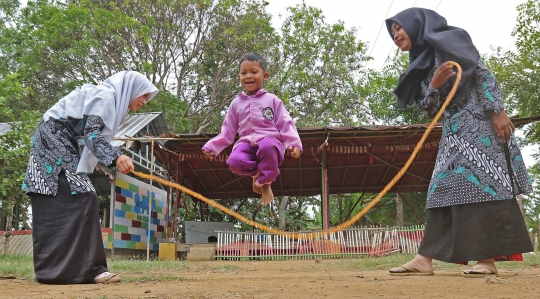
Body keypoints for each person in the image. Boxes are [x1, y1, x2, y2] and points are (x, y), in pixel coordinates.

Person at [385, 8, 533, 276]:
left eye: (398, 28)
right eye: (392, 32)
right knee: (440, 189)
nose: (395, 35)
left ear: (416, 24)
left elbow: (482, 74)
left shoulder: (451, 42)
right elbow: (428, 109)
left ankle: (487, 259)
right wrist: (434, 85)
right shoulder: (419, 63)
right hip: (453, 134)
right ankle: (424, 258)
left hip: (482, 127)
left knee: (486, 185)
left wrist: (497, 111)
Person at [22, 71, 159, 284]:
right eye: (143, 96)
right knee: (84, 195)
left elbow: (87, 136)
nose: (144, 102)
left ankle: (54, 272)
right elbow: (92, 135)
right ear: (132, 90)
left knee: (59, 197)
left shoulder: (106, 99)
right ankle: (92, 270)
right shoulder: (106, 97)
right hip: (53, 140)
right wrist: (116, 156)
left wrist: (102, 161)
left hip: (51, 140)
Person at [202, 52, 302, 206]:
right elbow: (227, 131)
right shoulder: (236, 104)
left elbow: (285, 123)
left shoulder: (272, 100)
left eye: (254, 72)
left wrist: (293, 144)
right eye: (244, 73)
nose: (248, 76)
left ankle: (266, 182)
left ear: (265, 75)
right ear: (239, 77)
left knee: (267, 146)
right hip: (247, 142)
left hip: (271, 141)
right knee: (234, 161)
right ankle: (258, 175)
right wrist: (212, 147)